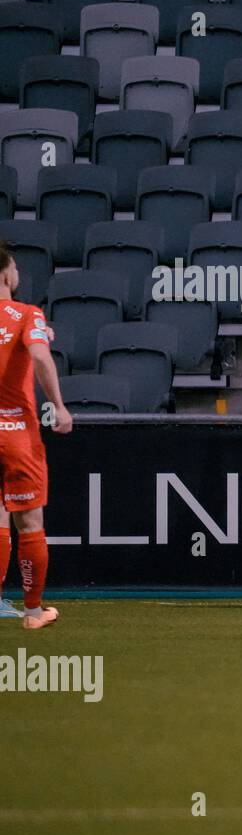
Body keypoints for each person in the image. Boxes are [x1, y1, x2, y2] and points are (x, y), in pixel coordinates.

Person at [0, 244, 73, 629]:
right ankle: (32, 612)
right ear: (7, 274)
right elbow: (41, 357)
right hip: (17, 433)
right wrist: (59, 406)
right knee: (29, 523)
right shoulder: (28, 314)